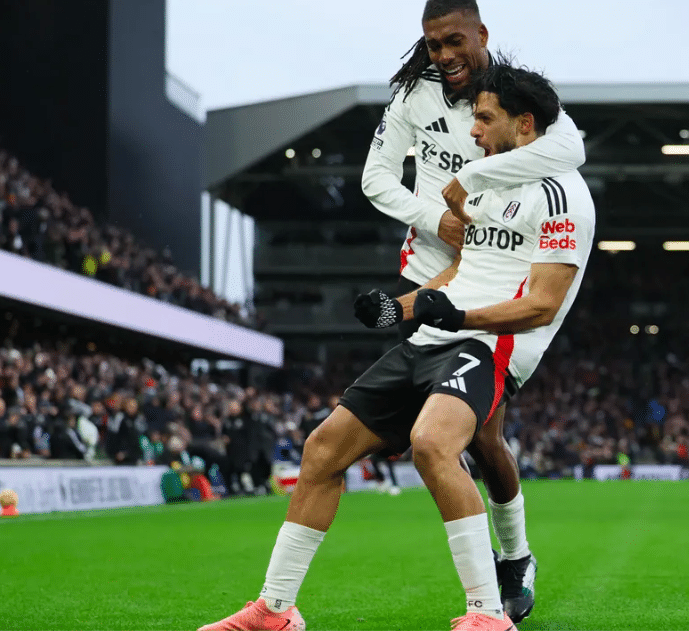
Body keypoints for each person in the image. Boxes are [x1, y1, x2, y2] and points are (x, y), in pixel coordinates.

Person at [199, 62, 595, 631]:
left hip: (490, 344)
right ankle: (275, 610)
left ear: (525, 123)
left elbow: (542, 304)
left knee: (433, 444)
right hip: (436, 336)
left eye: (485, 119)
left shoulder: (563, 195)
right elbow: (462, 272)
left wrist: (458, 316)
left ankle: (488, 615)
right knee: (322, 450)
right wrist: (398, 307)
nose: (474, 130)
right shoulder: (486, 185)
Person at [361, 1, 585, 619]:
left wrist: (474, 186)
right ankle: (493, 566)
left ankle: (513, 558)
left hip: (495, 270)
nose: (445, 56)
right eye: (434, 45)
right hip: (431, 270)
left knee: (483, 440)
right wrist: (437, 217)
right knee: (441, 436)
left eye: (455, 41)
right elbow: (376, 179)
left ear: (481, 35)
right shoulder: (413, 97)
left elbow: (570, 152)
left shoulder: (512, 98)